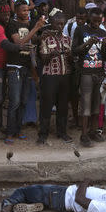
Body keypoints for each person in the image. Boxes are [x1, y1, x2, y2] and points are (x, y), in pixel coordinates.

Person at [0, 0, 30, 138]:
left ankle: (1, 127)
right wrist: (20, 47)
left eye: (8, 14)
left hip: (6, 66)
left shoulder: (5, 24)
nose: (7, 17)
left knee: (3, 99)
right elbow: (6, 45)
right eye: (4, 14)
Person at [5, 0, 44, 143]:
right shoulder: (12, 24)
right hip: (15, 67)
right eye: (23, 10)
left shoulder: (30, 24)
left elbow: (32, 45)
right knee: (14, 101)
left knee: (23, 101)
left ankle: (18, 129)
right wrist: (35, 28)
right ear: (16, 11)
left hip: (27, 67)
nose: (26, 12)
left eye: (28, 10)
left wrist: (39, 30)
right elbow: (19, 44)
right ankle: (9, 132)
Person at [73, 7, 106, 147]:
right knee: (86, 104)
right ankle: (84, 134)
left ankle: (93, 131)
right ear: (89, 18)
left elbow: (105, 56)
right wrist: (88, 43)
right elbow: (74, 50)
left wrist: (105, 46)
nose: (97, 24)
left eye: (99, 21)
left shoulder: (103, 32)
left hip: (98, 72)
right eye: (94, 21)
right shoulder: (81, 30)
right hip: (86, 72)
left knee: (96, 104)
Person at [38, 12, 73, 144]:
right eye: (58, 24)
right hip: (50, 77)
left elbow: (71, 60)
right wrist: (53, 53)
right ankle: (43, 134)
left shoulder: (68, 39)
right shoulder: (45, 38)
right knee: (46, 106)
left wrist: (69, 55)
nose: (60, 26)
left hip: (64, 76)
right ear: (52, 24)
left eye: (62, 24)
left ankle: (62, 132)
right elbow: (43, 60)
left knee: (63, 106)